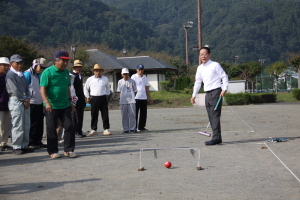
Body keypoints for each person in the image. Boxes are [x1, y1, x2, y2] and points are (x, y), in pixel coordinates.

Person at [40, 50, 78, 158]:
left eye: (67, 61)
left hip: (65, 104)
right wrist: (46, 102)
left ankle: (69, 150)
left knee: (69, 126)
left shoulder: (66, 72)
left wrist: (70, 101)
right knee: (51, 128)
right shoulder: (47, 72)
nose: (65, 63)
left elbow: (67, 88)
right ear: (55, 61)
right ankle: (52, 151)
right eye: (63, 61)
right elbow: (42, 89)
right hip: (51, 105)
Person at [190, 47, 228, 145]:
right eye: (201, 54)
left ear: (209, 55)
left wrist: (224, 89)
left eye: (205, 54)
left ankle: (215, 138)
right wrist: (194, 95)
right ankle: (217, 137)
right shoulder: (200, 68)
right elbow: (198, 82)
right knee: (211, 115)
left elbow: (224, 76)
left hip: (216, 92)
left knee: (215, 115)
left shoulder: (215, 65)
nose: (203, 56)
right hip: (208, 93)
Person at [6, 54, 33, 155]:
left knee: (26, 123)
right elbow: (15, 90)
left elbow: (27, 87)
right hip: (15, 99)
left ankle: (24, 144)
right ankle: (16, 146)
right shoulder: (10, 75)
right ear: (11, 63)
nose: (20, 65)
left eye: (21, 63)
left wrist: (28, 98)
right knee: (17, 124)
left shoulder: (21, 74)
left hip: (25, 99)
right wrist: (24, 99)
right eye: (17, 63)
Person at [24, 58, 48, 149]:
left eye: (43, 67)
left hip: (39, 101)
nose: (42, 69)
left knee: (39, 122)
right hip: (32, 102)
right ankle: (31, 141)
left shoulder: (39, 74)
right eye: (41, 67)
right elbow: (24, 87)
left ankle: (38, 140)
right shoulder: (27, 74)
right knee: (32, 123)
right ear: (35, 65)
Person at [84, 64, 112, 136]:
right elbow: (85, 89)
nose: (97, 72)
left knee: (105, 113)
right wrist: (87, 97)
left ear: (101, 71)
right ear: (94, 71)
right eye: (96, 71)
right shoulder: (90, 79)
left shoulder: (105, 78)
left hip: (103, 97)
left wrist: (107, 96)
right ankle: (94, 129)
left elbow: (108, 89)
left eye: (99, 71)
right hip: (94, 97)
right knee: (94, 114)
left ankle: (106, 129)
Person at [131, 64, 153, 132]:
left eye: (142, 69)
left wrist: (149, 97)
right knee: (135, 113)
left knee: (143, 113)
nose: (140, 71)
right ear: (137, 70)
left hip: (143, 97)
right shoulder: (134, 77)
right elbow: (131, 86)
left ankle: (141, 127)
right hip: (136, 97)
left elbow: (146, 88)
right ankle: (134, 127)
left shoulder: (145, 77)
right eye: (139, 69)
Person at [117, 68, 137, 133]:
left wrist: (133, 97)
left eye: (126, 74)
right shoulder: (120, 82)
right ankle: (125, 128)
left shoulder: (132, 81)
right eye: (124, 74)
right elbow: (119, 91)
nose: (125, 75)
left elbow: (135, 91)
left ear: (128, 74)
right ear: (122, 74)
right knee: (124, 115)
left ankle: (132, 128)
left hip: (131, 100)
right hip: (123, 100)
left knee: (132, 114)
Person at [71, 60, 86, 138]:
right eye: (77, 67)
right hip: (75, 97)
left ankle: (79, 130)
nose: (79, 68)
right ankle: (75, 131)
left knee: (80, 115)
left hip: (80, 97)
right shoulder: (72, 75)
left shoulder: (80, 75)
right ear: (74, 67)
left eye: (80, 67)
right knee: (75, 115)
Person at [0, 57, 12, 153]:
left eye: (7, 65)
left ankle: (3, 143)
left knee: (6, 126)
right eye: (4, 65)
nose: (6, 67)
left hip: (7, 104)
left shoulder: (7, 76)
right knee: (0, 126)